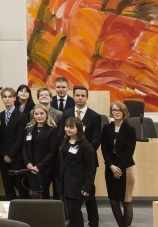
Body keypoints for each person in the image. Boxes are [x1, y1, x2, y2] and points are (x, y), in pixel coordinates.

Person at [61, 86, 101, 226]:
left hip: (86, 160)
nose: (79, 98)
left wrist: (82, 151)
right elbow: (63, 135)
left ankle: (93, 222)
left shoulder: (94, 116)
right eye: (77, 95)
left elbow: (96, 139)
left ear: (86, 97)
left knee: (89, 194)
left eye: (82, 95)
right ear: (73, 97)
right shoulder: (66, 113)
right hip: (70, 167)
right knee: (73, 206)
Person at [102, 102, 136, 227]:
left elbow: (129, 152)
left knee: (126, 201)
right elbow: (104, 150)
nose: (116, 112)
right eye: (114, 110)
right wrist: (111, 167)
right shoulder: (106, 128)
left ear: (124, 112)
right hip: (110, 169)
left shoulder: (130, 130)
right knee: (114, 201)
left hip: (125, 169)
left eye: (119, 110)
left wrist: (119, 169)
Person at [59, 117, 97, 227]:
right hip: (66, 182)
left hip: (78, 184)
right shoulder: (65, 141)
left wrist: (87, 187)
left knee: (73, 211)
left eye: (71, 127)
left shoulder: (86, 146)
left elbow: (91, 168)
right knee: (72, 213)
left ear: (78, 129)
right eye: (66, 127)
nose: (68, 129)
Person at [22, 103, 60, 198]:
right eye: (36, 114)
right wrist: (28, 163)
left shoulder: (52, 130)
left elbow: (53, 152)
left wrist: (39, 167)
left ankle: (44, 213)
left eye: (41, 113)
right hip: (30, 167)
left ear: (46, 114)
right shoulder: (29, 129)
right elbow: (25, 147)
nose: (39, 116)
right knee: (33, 193)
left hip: (45, 169)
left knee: (42, 193)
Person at [0, 87, 28, 199]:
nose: (7, 99)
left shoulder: (22, 116)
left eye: (10, 97)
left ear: (15, 98)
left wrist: (10, 155)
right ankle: (9, 211)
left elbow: (20, 139)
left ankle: (24, 213)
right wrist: (4, 155)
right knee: (8, 186)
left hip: (17, 157)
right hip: (3, 157)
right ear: (2, 98)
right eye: (5, 97)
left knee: (21, 186)